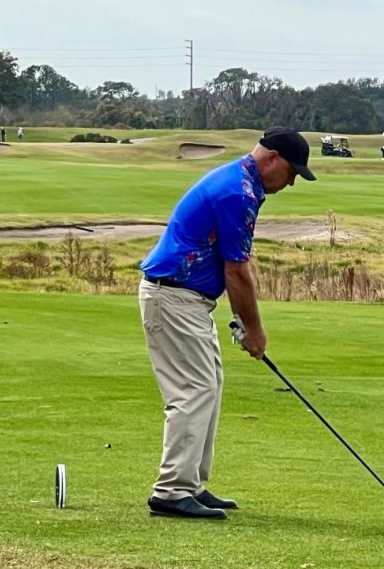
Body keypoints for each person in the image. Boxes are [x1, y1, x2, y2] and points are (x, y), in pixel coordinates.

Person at [138, 127, 316, 520]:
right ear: (272, 158)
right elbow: (236, 272)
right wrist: (254, 330)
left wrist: (243, 320)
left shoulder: (242, 184)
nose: (290, 183)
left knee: (209, 385)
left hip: (187, 299)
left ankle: (191, 484)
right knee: (194, 390)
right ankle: (171, 491)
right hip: (173, 297)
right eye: (290, 173)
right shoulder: (238, 193)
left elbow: (238, 263)